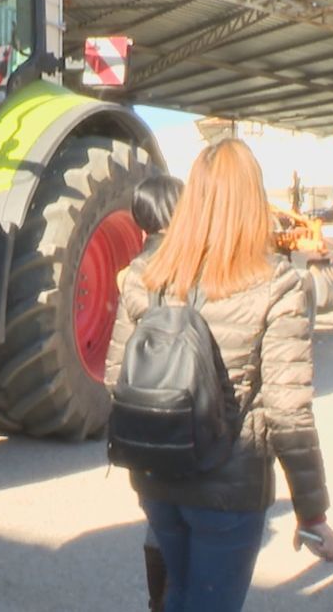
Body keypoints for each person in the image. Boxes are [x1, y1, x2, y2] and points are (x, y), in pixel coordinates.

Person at [106, 139, 333, 612]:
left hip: (157, 476)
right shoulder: (276, 283)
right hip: (228, 486)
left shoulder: (146, 273)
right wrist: (311, 511)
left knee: (178, 596)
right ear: (253, 199)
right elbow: (288, 411)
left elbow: (116, 377)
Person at [106, 173, 183, 612]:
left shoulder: (135, 273)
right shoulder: (195, 269)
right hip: (188, 409)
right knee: (183, 516)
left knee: (157, 515)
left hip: (144, 416)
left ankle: (159, 601)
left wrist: (122, 406)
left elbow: (118, 356)